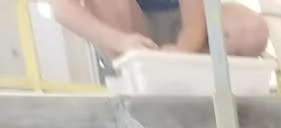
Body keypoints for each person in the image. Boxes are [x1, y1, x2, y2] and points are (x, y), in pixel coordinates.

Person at [49, 0, 269, 61]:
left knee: (251, 30)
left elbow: (194, 21)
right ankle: (136, 71)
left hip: (183, 24)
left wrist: (182, 51)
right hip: (130, 30)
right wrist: (121, 41)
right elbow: (61, 9)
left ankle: (209, 84)